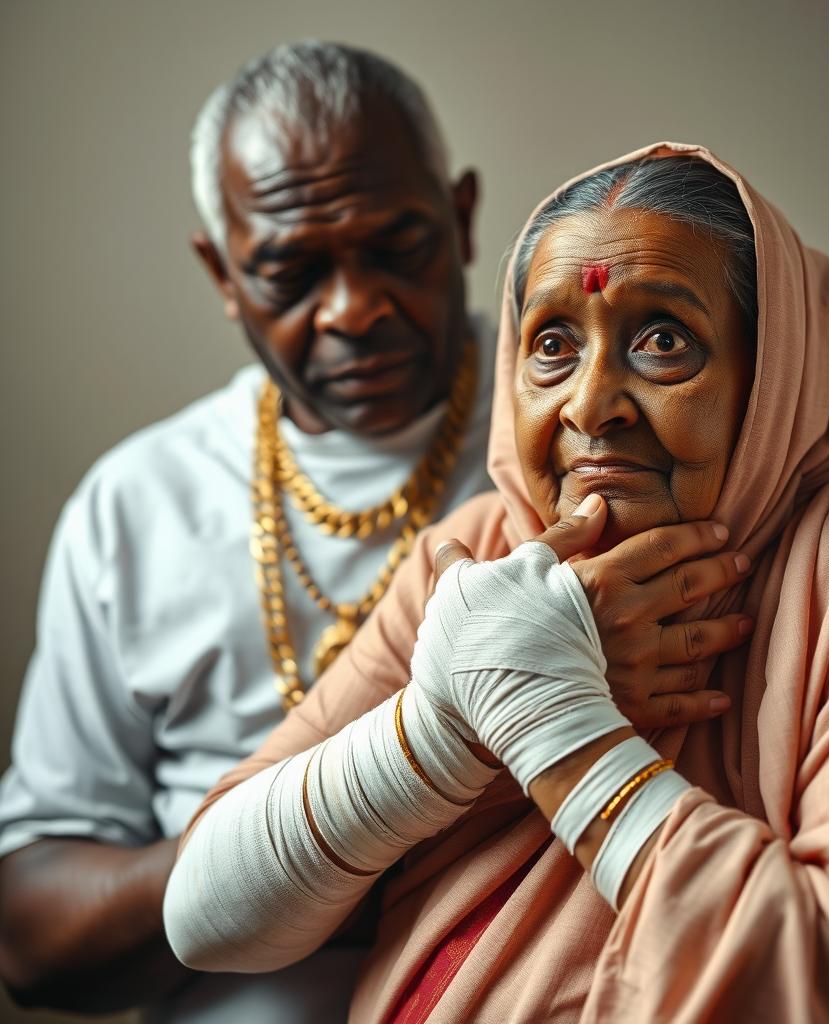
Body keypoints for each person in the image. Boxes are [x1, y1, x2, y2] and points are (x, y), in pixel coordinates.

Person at [165, 143, 829, 1022]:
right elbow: (205, 917)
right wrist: (444, 730)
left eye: (663, 342)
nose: (588, 404)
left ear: (777, 373)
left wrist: (553, 726)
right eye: (551, 345)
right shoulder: (482, 557)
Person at [0, 41, 497, 1021]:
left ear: (464, 218)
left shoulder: (585, 437)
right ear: (220, 272)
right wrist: (287, 850)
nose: (354, 309)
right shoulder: (134, 507)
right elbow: (29, 939)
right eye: (290, 272)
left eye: (397, 248)